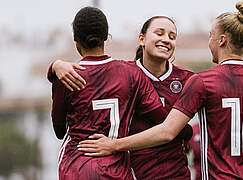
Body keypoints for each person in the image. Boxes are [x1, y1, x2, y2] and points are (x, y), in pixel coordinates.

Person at [51, 15, 243, 179]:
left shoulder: (191, 80)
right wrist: (55, 65)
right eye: (159, 33)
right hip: (136, 173)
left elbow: (232, 87)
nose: (166, 39)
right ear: (141, 39)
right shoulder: (127, 76)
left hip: (176, 174)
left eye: (172, 35)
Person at [50, 7, 171, 180]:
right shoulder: (132, 74)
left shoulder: (65, 75)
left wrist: (54, 67)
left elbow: (60, 130)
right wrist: (186, 133)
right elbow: (162, 119)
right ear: (106, 36)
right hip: (116, 170)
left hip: (76, 169)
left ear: (75, 36)